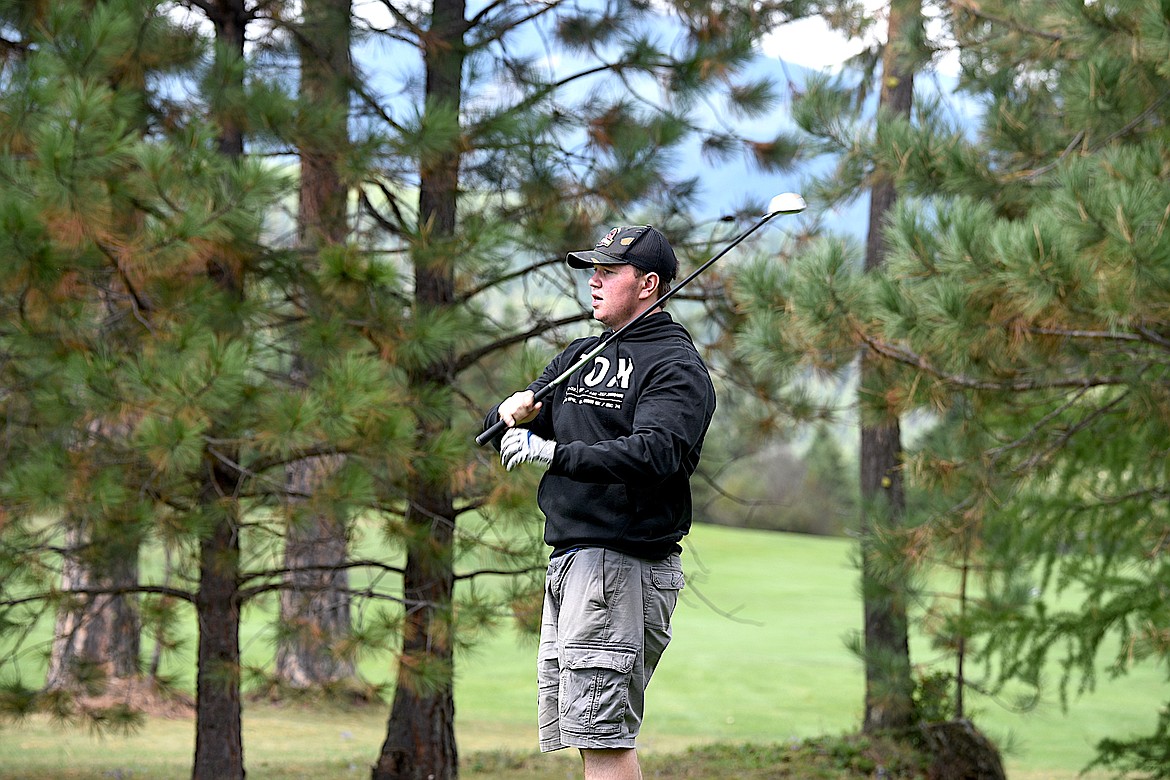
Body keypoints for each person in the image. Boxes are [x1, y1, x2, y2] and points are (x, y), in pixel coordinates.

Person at [482, 224, 717, 780]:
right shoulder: (581, 355)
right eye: (594, 270)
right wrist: (507, 414)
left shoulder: (675, 367)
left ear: (648, 284)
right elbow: (501, 433)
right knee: (589, 737)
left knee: (606, 738)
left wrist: (553, 452)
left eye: (609, 272)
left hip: (623, 563)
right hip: (571, 560)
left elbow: (655, 453)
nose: (594, 281)